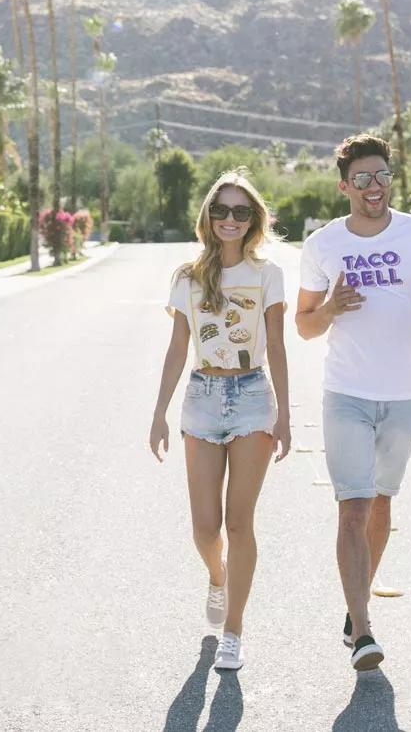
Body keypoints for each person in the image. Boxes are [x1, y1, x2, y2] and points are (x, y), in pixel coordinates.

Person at [295, 134, 411, 671]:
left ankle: (356, 608)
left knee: (380, 503)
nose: (375, 186)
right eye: (363, 178)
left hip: (402, 396)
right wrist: (330, 308)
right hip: (345, 392)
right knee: (353, 506)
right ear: (344, 186)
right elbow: (304, 326)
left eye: (382, 175)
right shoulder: (323, 243)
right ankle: (364, 631)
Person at [149, 171, 292, 671]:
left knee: (240, 522)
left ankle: (233, 631)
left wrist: (285, 415)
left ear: (253, 220)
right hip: (202, 398)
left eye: (240, 211)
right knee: (205, 529)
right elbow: (177, 347)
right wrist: (159, 413)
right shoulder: (187, 277)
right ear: (208, 216)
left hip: (252, 397)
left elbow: (277, 346)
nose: (230, 220)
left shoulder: (268, 274)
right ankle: (218, 576)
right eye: (221, 210)